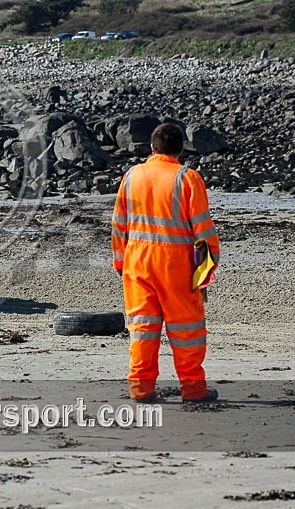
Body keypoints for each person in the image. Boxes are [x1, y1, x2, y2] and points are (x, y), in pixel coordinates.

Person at [111, 123, 221, 404]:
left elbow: (118, 225)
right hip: (176, 265)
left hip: (136, 264)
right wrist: (206, 271)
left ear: (152, 148)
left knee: (143, 329)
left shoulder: (132, 176)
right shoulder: (187, 178)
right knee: (187, 331)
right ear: (181, 149)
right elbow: (204, 232)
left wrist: (121, 263)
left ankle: (140, 388)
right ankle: (194, 390)